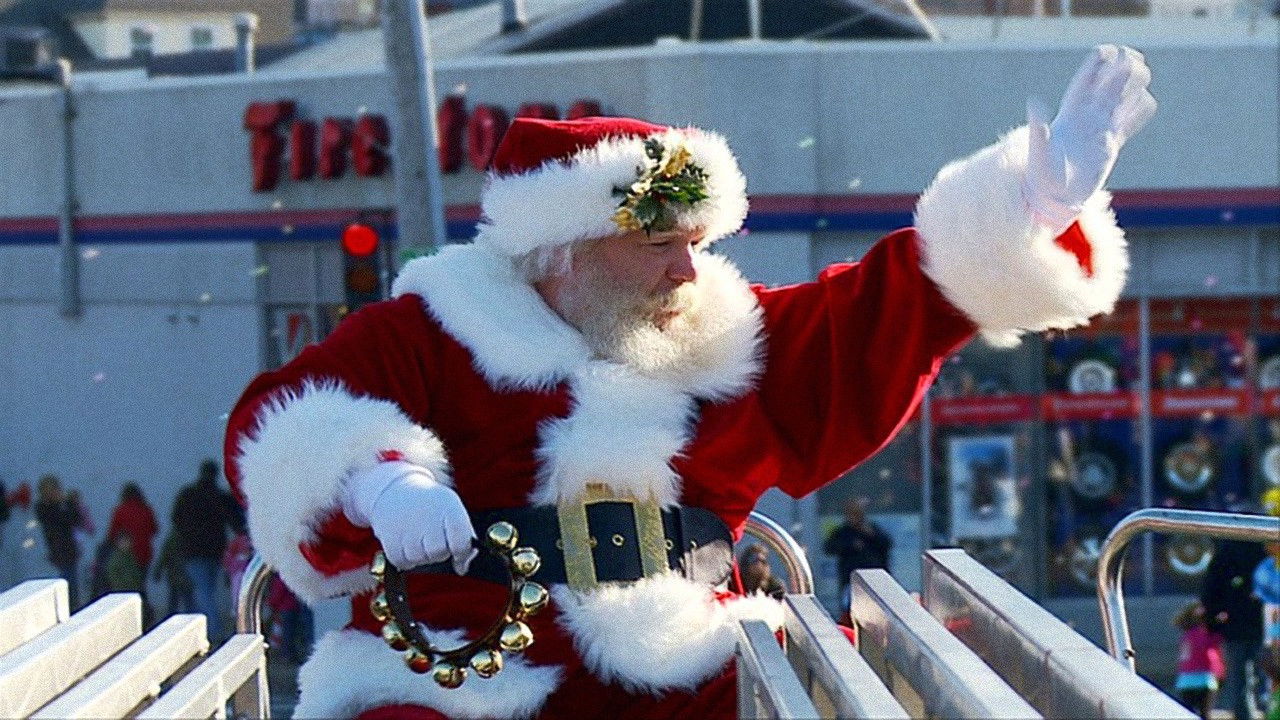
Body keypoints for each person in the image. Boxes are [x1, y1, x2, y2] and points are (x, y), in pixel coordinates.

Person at [223, 46, 1155, 719]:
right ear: (561, 253)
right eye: (658, 244)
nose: (687, 272)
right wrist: (379, 477)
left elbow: (884, 313)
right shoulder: (431, 331)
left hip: (691, 671)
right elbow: (285, 423)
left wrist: (1032, 207)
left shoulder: (724, 337)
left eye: (696, 244)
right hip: (462, 680)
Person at [1202, 527, 1267, 720]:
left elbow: (1211, 590)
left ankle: (1247, 714)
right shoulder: (1265, 553)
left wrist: (1214, 621)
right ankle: (1265, 709)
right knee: (1266, 672)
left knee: (1240, 677)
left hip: (1235, 625)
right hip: (1263, 625)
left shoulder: (1226, 553)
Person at [171, 459, 235, 639]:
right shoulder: (220, 497)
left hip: (192, 550)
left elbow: (176, 519)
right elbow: (235, 521)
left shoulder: (187, 495)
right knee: (207, 591)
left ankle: (212, 630)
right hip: (215, 551)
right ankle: (211, 628)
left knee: (203, 591)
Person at [33, 474, 83, 608]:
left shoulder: (61, 506)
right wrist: (65, 502)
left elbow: (75, 519)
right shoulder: (44, 508)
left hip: (67, 552)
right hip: (57, 552)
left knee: (71, 586)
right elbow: (60, 519)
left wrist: (70, 503)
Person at [1175, 601, 1226, 720]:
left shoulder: (1186, 635)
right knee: (1205, 713)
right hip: (1204, 679)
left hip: (1185, 680)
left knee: (1188, 713)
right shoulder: (1206, 634)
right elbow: (1214, 647)